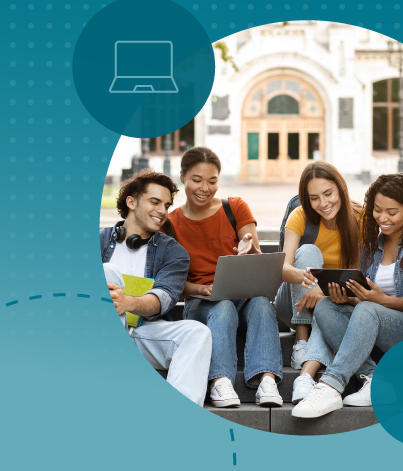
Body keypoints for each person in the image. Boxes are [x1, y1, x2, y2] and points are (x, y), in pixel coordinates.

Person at [292, 173, 403, 418]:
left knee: (367, 309)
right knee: (325, 307)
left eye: (392, 212)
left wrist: (382, 301)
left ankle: (331, 384)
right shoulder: (374, 242)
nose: (382, 218)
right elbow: (366, 295)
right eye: (376, 210)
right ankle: (375, 378)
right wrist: (349, 296)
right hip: (373, 326)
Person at [164, 147, 283, 408]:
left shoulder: (235, 207)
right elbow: (170, 284)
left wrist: (249, 250)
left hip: (243, 298)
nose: (205, 188)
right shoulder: (170, 224)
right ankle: (219, 381)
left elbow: (257, 256)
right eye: (197, 180)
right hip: (201, 303)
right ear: (182, 177)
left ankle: (267, 379)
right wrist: (199, 289)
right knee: (223, 306)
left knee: (262, 304)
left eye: (212, 181)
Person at [101, 170, 212, 407]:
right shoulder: (97, 241)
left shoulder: (173, 252)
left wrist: (127, 303)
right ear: (131, 202)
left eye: (167, 205)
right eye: (155, 202)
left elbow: (164, 298)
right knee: (107, 271)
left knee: (197, 332)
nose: (162, 210)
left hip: (143, 333)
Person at [274, 161, 363, 404]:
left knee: (326, 311)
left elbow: (360, 274)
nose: (323, 204)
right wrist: (309, 280)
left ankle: (305, 378)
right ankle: (301, 339)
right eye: (314, 198)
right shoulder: (300, 215)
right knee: (308, 251)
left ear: (340, 190)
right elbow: (283, 268)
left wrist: (324, 294)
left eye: (328, 194)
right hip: (293, 302)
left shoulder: (360, 218)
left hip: (336, 301)